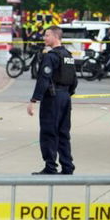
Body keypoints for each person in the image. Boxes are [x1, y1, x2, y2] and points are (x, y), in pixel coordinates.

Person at [28, 25, 77, 175]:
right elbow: (74, 80)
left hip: (53, 98)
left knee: (49, 132)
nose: (44, 38)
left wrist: (34, 100)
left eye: (47, 35)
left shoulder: (51, 56)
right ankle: (67, 167)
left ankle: (50, 167)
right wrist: (67, 94)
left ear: (56, 37)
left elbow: (43, 79)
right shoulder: (68, 55)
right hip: (66, 98)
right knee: (63, 133)